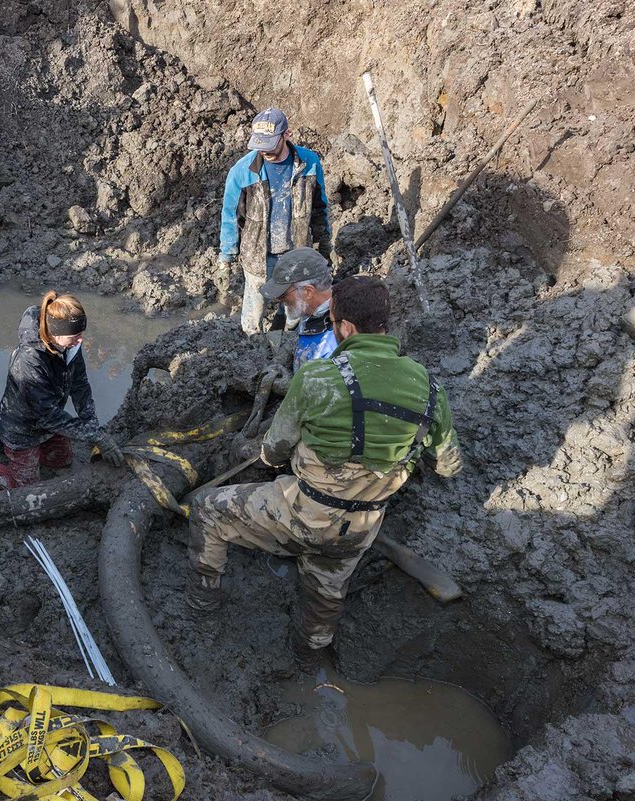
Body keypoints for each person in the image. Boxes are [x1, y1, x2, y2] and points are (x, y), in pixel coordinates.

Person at [186, 276, 462, 658]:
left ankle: (203, 606)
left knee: (206, 511)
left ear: (345, 327)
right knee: (326, 593)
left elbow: (273, 452)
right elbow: (447, 466)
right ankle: (309, 653)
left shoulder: (319, 378)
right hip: (361, 530)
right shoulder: (432, 389)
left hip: (302, 514)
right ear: (384, 325)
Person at [0, 290, 125, 489]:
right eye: (75, 335)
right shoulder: (28, 360)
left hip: (51, 423)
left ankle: (40, 455)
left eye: (81, 334)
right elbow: (47, 415)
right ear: (56, 332)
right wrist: (96, 437)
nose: (81, 340)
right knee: (25, 489)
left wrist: (91, 424)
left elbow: (80, 385)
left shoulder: (70, 346)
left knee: (62, 462)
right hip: (22, 430)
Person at [218, 107, 331, 335]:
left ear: (286, 135)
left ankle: (288, 336)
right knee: (254, 306)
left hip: (295, 252)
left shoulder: (309, 163)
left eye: (269, 145)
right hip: (258, 254)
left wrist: (324, 243)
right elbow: (230, 216)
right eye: (259, 145)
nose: (264, 152)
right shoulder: (242, 171)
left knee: (295, 307)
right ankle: (252, 342)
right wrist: (226, 258)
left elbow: (319, 207)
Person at [259, 246, 337, 369]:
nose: (279, 300)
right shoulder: (311, 311)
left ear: (308, 292)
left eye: (283, 294)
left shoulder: (331, 345)